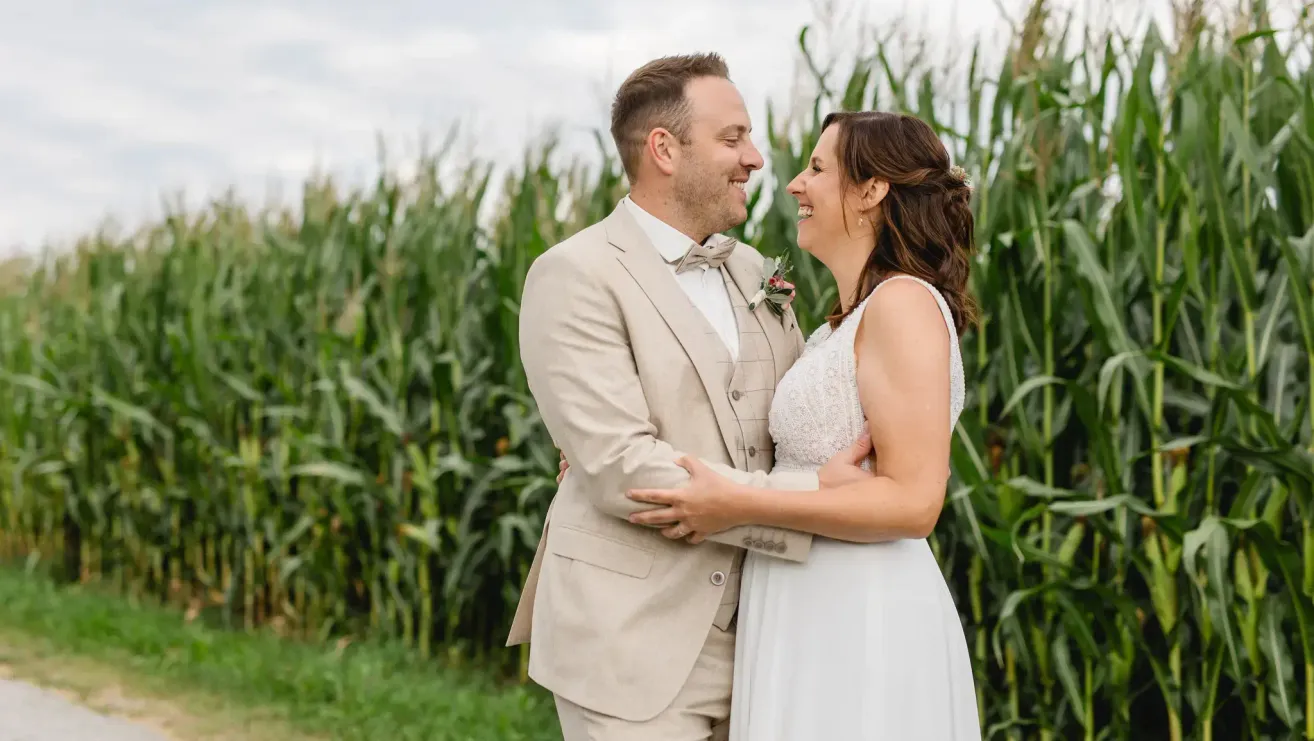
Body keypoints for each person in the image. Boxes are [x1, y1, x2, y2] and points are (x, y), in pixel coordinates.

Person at [506, 52, 874, 741]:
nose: (756, 158)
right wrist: (808, 505)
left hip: (775, 632)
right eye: (733, 137)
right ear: (665, 149)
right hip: (630, 637)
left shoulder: (757, 271)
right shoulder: (573, 275)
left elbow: (801, 417)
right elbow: (623, 468)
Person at [623, 110, 983, 738]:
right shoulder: (838, 323)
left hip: (859, 606)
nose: (794, 184)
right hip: (804, 597)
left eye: (817, 169)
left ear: (872, 191)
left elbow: (917, 502)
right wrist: (625, 441)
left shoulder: (902, 305)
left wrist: (736, 503)